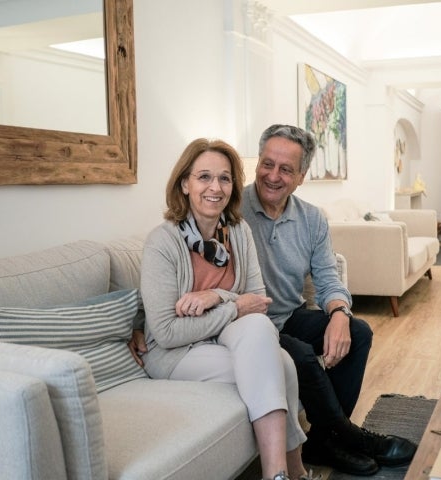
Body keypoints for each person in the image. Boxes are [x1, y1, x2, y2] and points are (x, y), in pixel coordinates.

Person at [239, 124, 417, 476]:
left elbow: (327, 277)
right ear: (257, 163)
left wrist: (339, 312)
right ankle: (351, 437)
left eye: (285, 169)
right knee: (302, 354)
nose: (272, 176)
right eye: (266, 164)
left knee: (359, 331)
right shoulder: (232, 210)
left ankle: (322, 440)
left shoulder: (311, 218)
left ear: (302, 176)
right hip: (250, 328)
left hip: (288, 316)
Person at [139, 138, 316, 480]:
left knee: (269, 342)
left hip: (221, 340)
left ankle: (284, 474)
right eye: (204, 177)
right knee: (281, 365)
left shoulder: (237, 231)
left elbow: (258, 302)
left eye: (224, 178)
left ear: (234, 186)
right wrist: (232, 305)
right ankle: (287, 473)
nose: (215, 187)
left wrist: (215, 297)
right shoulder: (163, 241)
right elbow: (167, 332)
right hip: (175, 354)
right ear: (185, 183)